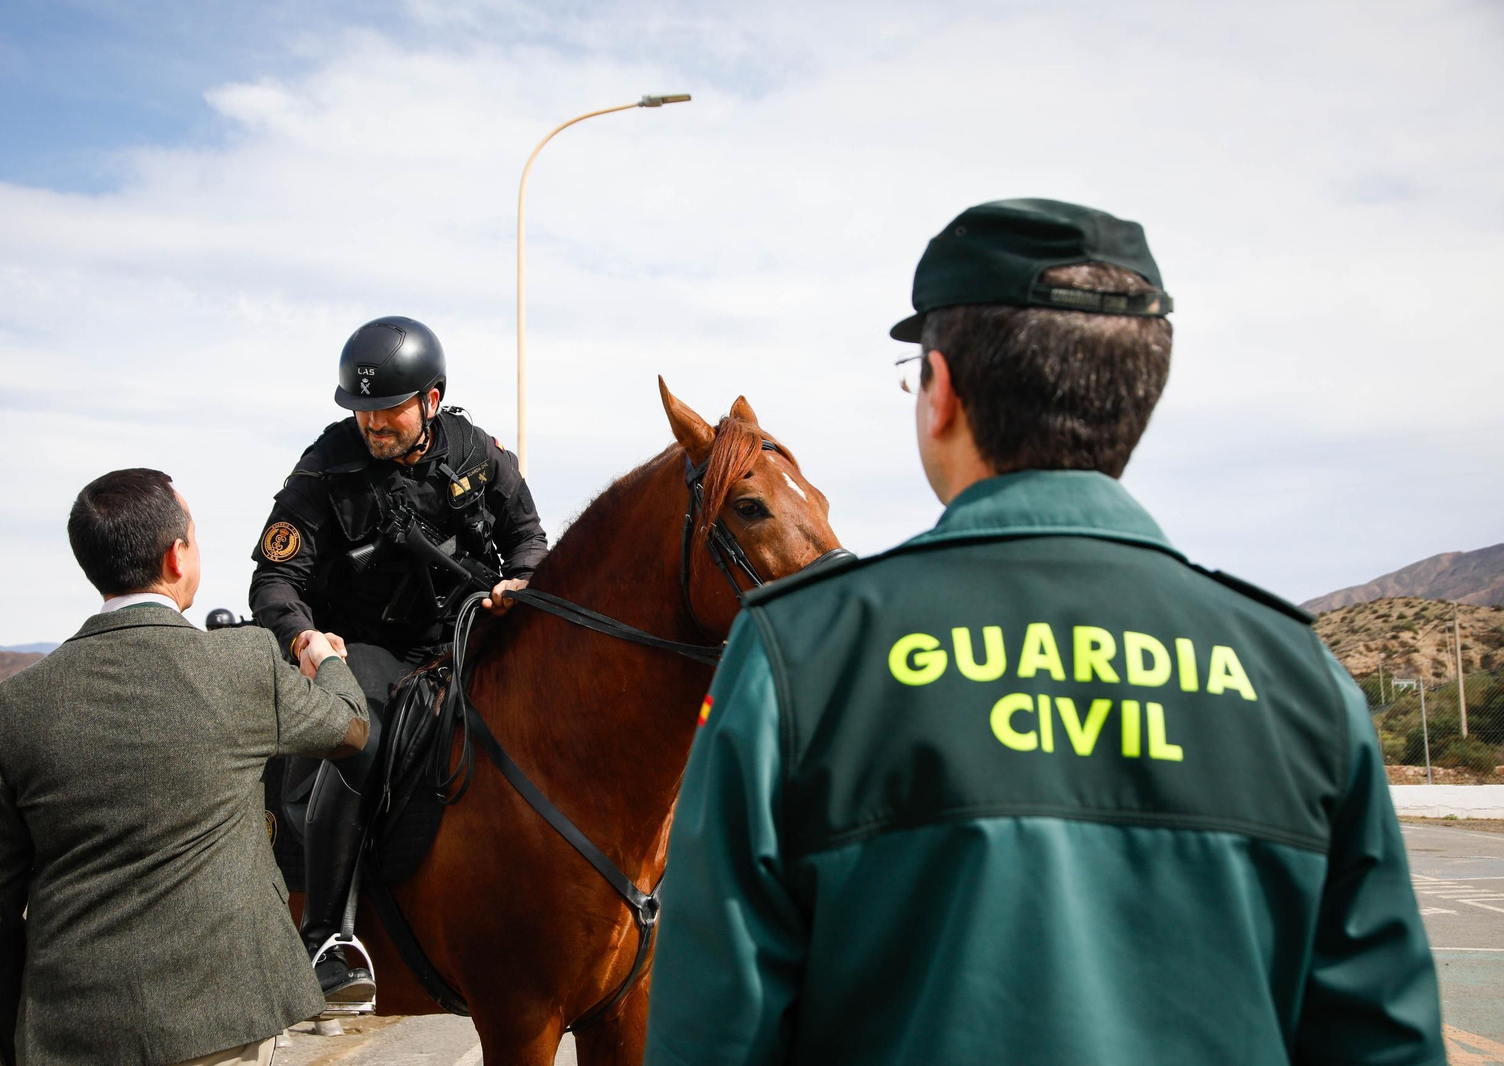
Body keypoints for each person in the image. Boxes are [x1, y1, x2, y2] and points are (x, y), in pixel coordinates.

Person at [644, 199, 1444, 1065]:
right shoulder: (1301, 681)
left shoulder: (797, 661)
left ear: (941, 391)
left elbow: (714, 1036)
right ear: (1137, 399)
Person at [0, 468, 368, 1066]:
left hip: (69, 1034)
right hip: (224, 1023)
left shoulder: (8, 708)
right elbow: (350, 727)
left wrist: (18, 1042)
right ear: (177, 556)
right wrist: (323, 657)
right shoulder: (243, 664)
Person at [249, 314, 548, 1004]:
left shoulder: (479, 453)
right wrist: (303, 639)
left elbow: (528, 537)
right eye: (362, 410)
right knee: (359, 737)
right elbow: (274, 580)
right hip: (366, 650)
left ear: (431, 400)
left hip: (468, 636)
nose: (373, 424)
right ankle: (327, 938)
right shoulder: (324, 468)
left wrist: (522, 582)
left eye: (388, 410)